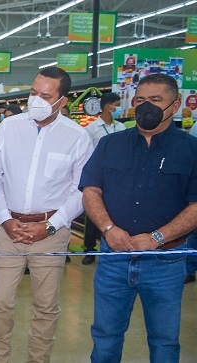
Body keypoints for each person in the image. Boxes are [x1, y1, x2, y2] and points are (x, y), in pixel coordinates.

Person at [79, 73, 197, 363]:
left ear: (175, 104)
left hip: (165, 261)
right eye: (141, 100)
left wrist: (158, 237)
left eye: (156, 100)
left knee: (164, 341)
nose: (147, 106)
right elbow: (91, 190)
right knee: (105, 335)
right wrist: (108, 229)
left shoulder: (191, 149)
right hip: (114, 257)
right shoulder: (111, 145)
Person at [0, 66, 93, 363]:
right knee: (0, 304)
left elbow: (81, 190)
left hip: (51, 233)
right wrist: (5, 219)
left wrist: (50, 226)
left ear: (63, 100)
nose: (36, 100)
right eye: (33, 92)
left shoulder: (77, 137)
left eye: (45, 95)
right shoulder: (9, 128)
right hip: (8, 230)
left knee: (46, 307)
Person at [81, 92, 126, 265]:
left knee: (113, 212)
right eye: (117, 104)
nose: (118, 108)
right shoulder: (92, 129)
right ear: (108, 107)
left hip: (118, 177)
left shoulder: (121, 128)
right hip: (98, 176)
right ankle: (89, 249)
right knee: (93, 212)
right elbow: (87, 155)